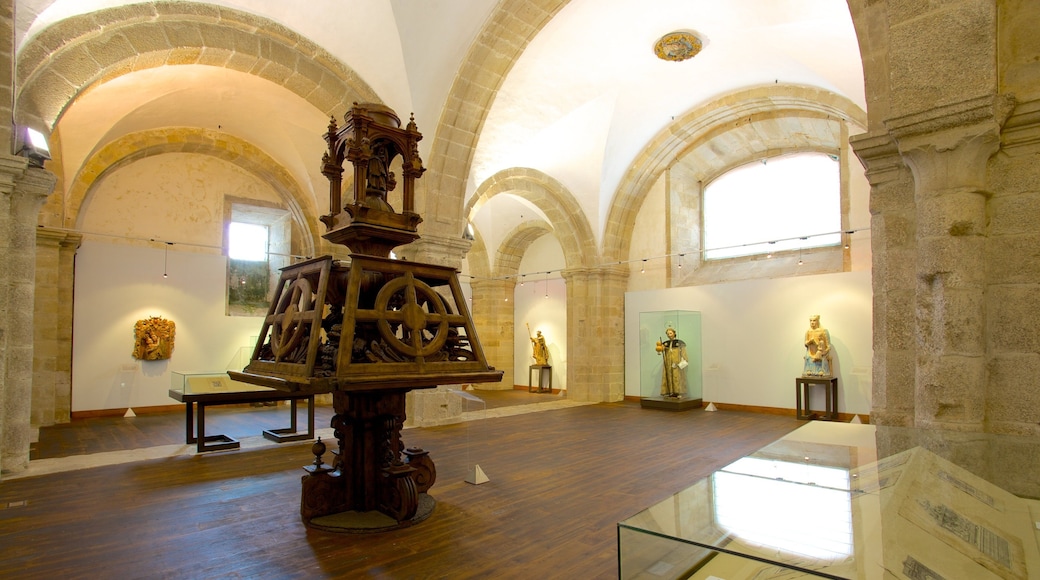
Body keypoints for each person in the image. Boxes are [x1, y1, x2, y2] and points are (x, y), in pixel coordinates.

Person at [655, 327, 688, 398]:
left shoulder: (680, 343)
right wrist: (659, 348)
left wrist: (681, 364)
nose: (669, 335)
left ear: (674, 333)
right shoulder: (666, 344)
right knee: (669, 376)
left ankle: (679, 392)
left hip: (677, 364)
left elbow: (684, 355)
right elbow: (660, 350)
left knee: (677, 377)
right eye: (668, 334)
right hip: (668, 364)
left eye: (670, 333)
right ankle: (670, 391)